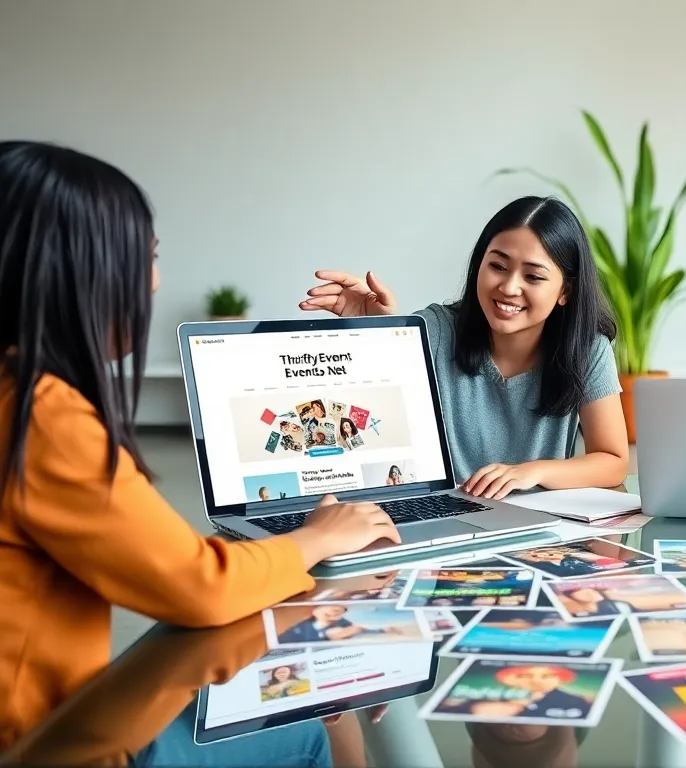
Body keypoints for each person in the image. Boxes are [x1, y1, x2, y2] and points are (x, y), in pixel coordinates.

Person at [0, 141, 402, 763]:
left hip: (52, 719)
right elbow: (199, 584)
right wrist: (319, 536)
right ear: (69, 268)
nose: (153, 280)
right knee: (308, 728)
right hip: (49, 745)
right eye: (142, 256)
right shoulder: (43, 416)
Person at [299, 195, 629, 500]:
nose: (509, 287)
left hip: (540, 532)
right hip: (442, 516)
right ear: (479, 265)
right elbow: (362, 417)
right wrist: (374, 330)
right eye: (498, 266)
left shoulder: (587, 350)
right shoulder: (438, 329)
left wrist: (529, 471)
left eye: (533, 277)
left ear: (565, 291)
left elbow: (612, 460)